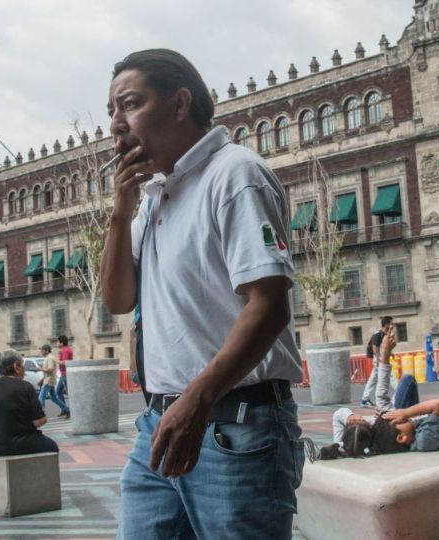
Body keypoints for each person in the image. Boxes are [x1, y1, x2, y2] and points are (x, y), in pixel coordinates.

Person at [100, 49, 304, 538]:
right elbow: (118, 300)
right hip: (159, 422)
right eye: (111, 111)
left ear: (179, 104)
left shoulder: (234, 175)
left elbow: (269, 305)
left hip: (237, 426)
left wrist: (197, 401)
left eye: (129, 105)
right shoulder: (154, 197)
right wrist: (119, 214)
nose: (115, 124)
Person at [0, 350, 58, 456]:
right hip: (20, 443)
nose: (24, 370)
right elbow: (38, 421)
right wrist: (43, 416)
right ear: (16, 367)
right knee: (51, 446)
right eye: (23, 365)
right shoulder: (25, 386)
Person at [360, 316, 394, 409]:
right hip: (378, 359)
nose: (392, 325)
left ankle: (365, 399)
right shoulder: (377, 334)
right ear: (386, 323)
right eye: (391, 323)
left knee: (373, 379)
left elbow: (384, 347)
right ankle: (399, 393)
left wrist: (390, 353)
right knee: (390, 376)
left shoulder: (385, 334)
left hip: (380, 358)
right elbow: (375, 347)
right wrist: (378, 360)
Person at [37, 344, 69, 417]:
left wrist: (40, 369)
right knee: (53, 398)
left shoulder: (50, 358)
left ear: (47, 350)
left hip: (49, 381)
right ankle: (66, 409)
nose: (41, 352)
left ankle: (41, 414)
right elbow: (47, 372)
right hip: (48, 380)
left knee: (41, 397)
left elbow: (50, 369)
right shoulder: (48, 358)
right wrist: (41, 380)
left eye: (42, 350)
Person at [54, 335, 72, 418]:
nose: (57, 343)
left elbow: (65, 362)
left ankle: (69, 411)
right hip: (63, 374)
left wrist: (56, 361)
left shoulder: (65, 350)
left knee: (69, 393)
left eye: (58, 342)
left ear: (61, 342)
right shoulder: (64, 350)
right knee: (58, 392)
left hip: (66, 374)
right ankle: (64, 409)